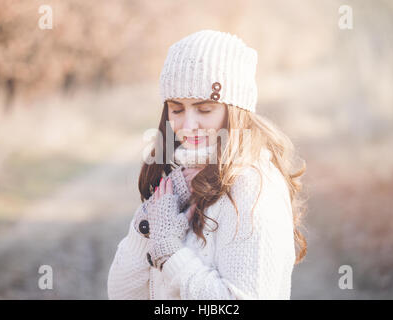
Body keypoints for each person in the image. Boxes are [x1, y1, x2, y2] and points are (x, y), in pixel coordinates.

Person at [107, 29, 307, 300]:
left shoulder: (254, 188)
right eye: (177, 109)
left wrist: (170, 252)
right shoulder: (181, 177)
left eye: (204, 109)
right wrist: (148, 224)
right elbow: (122, 294)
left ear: (235, 110)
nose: (188, 126)